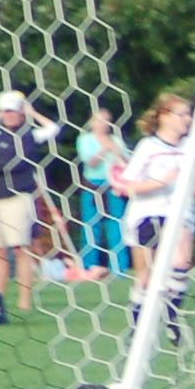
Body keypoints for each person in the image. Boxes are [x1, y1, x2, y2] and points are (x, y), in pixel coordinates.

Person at [112, 92, 195, 335]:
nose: (188, 119)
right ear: (165, 117)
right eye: (182, 114)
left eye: (189, 114)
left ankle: (170, 316)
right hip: (148, 213)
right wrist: (162, 181)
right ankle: (137, 325)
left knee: (181, 263)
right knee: (146, 277)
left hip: (182, 213)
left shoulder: (193, 146)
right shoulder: (148, 147)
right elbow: (128, 187)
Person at [0, 89, 49, 312]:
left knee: (20, 249)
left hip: (16, 197)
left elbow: (53, 130)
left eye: (12, 111)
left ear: (21, 112)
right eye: (4, 111)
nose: (8, 115)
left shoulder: (29, 135)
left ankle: (24, 300)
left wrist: (32, 113)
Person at [75, 110, 130, 277]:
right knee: (91, 227)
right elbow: (90, 162)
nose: (102, 124)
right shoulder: (85, 139)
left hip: (113, 186)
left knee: (116, 226)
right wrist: (105, 149)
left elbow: (128, 162)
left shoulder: (116, 140)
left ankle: (119, 269)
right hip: (93, 186)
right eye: (99, 120)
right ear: (92, 122)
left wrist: (117, 151)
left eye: (106, 120)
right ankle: (89, 267)